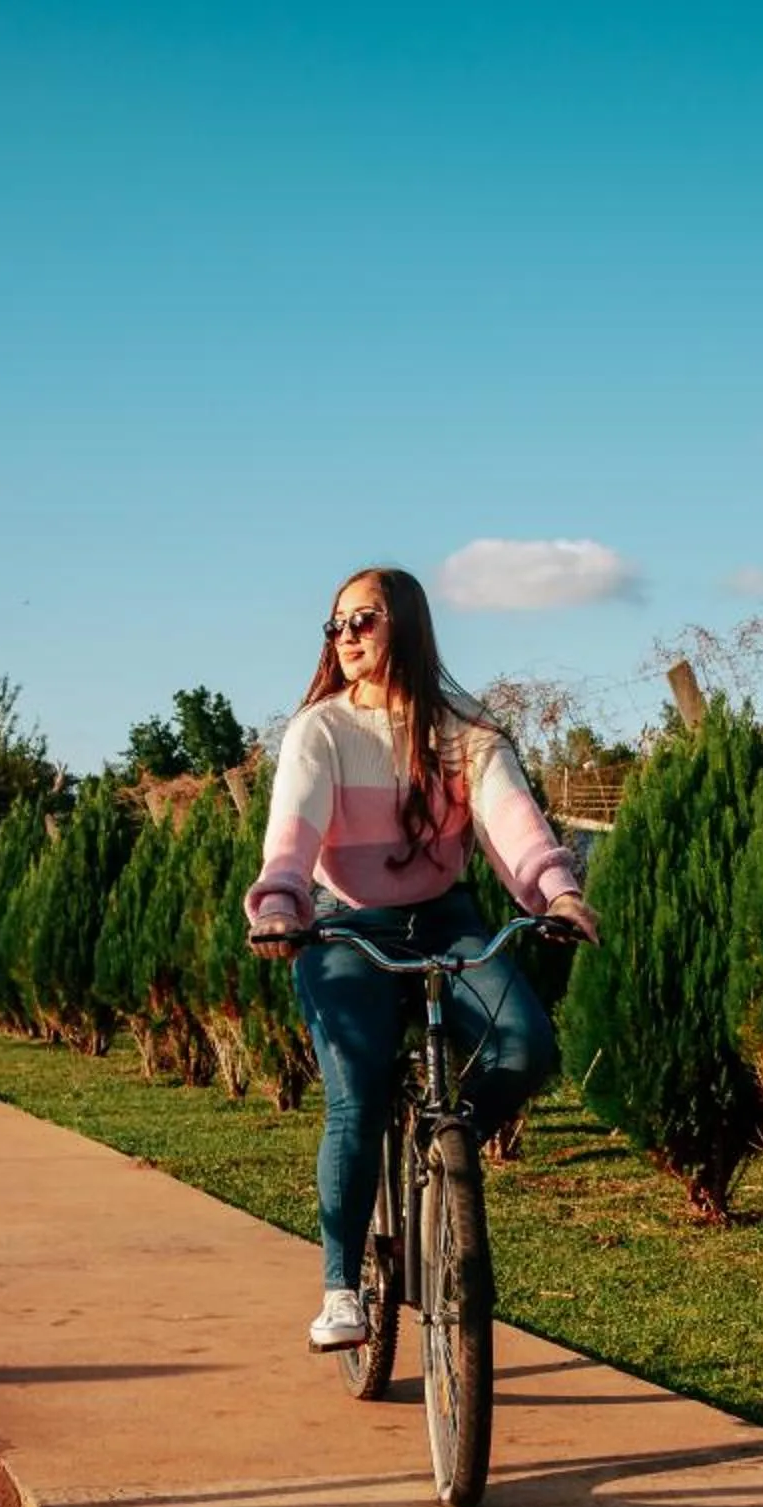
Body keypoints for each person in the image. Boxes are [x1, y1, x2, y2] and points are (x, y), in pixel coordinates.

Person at [246, 565, 598, 1352]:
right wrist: (279, 906)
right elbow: (292, 838)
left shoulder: (462, 730)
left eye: (362, 620)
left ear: (404, 623)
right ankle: (343, 1288)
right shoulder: (321, 731)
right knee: (355, 1099)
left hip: (445, 919)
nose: (345, 637)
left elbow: (514, 824)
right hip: (343, 926)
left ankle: (446, 1150)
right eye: (334, 625)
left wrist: (556, 895)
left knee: (527, 1046)